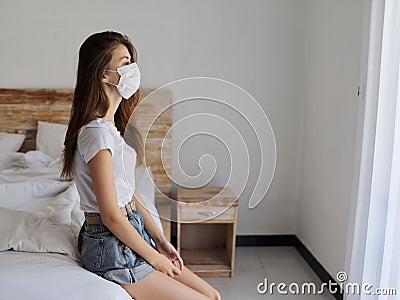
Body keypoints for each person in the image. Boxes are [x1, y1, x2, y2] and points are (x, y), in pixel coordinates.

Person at [61, 31, 221, 300]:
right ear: (103, 74)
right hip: (112, 246)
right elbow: (111, 215)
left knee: (213, 296)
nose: (132, 70)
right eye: (124, 63)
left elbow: (129, 194)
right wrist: (154, 259)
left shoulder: (112, 129)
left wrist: (159, 240)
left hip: (131, 233)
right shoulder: (96, 133)